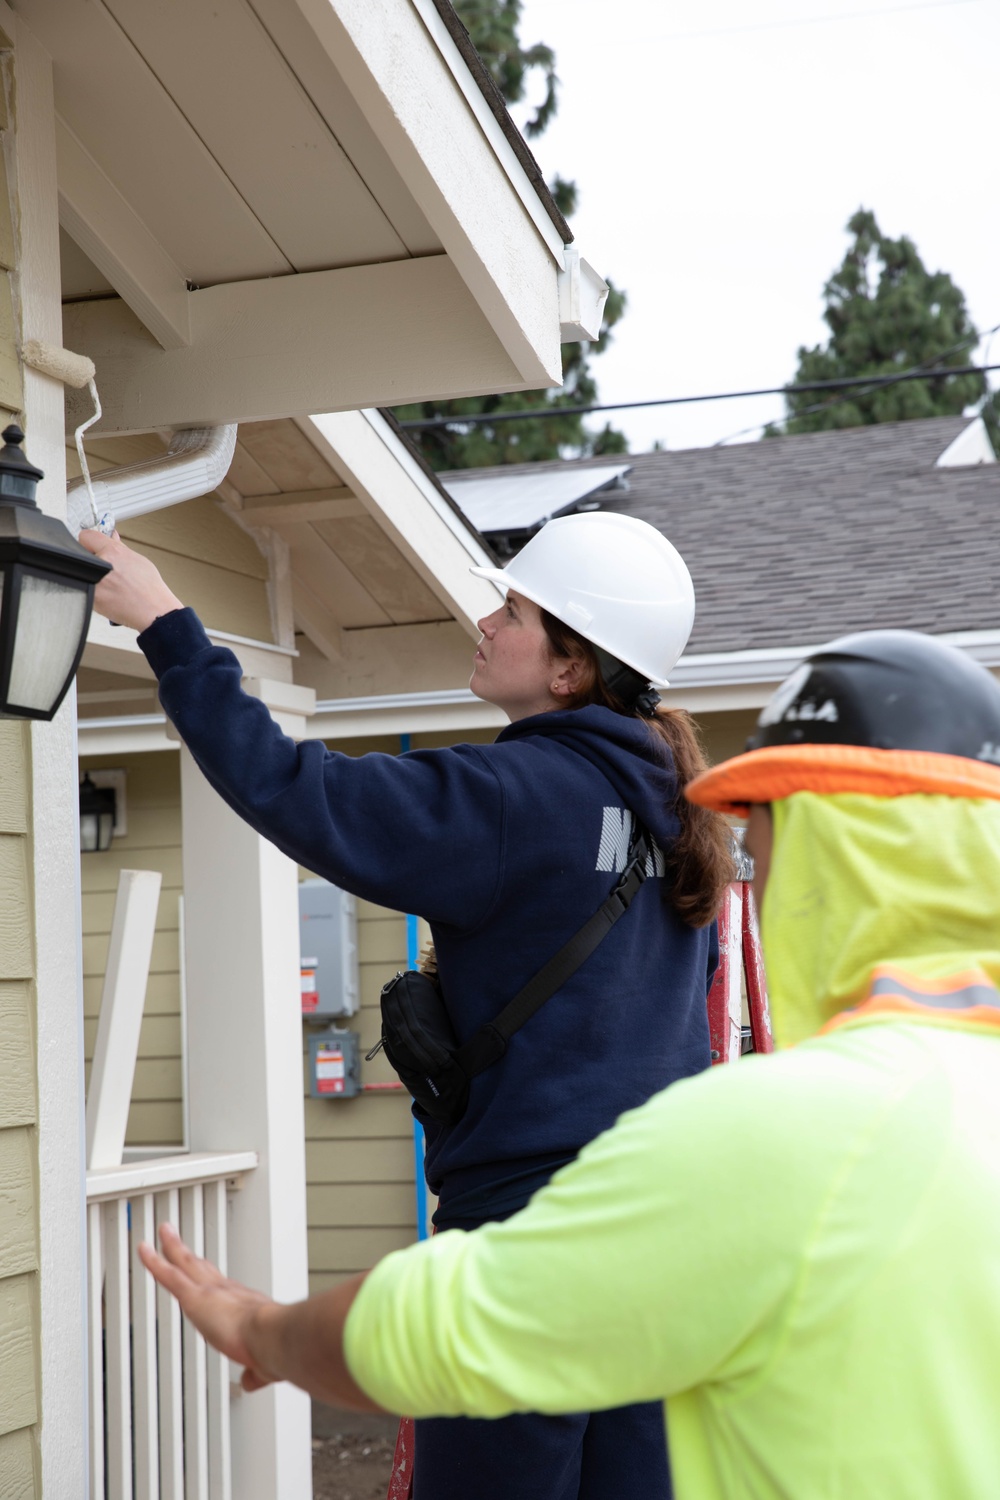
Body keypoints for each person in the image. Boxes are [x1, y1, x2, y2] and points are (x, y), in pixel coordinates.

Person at [139, 628, 1000, 1500]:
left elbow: (442, 1332)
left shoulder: (780, 1136)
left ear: (824, 851)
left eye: (766, 832)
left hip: (546, 1228)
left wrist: (262, 1328)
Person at [81, 510, 732, 1500]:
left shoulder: (524, 792)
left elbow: (301, 792)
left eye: (512, 610)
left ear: (569, 669)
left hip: (527, 1247)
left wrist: (166, 623)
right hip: (668, 1249)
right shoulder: (679, 816)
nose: (486, 619)